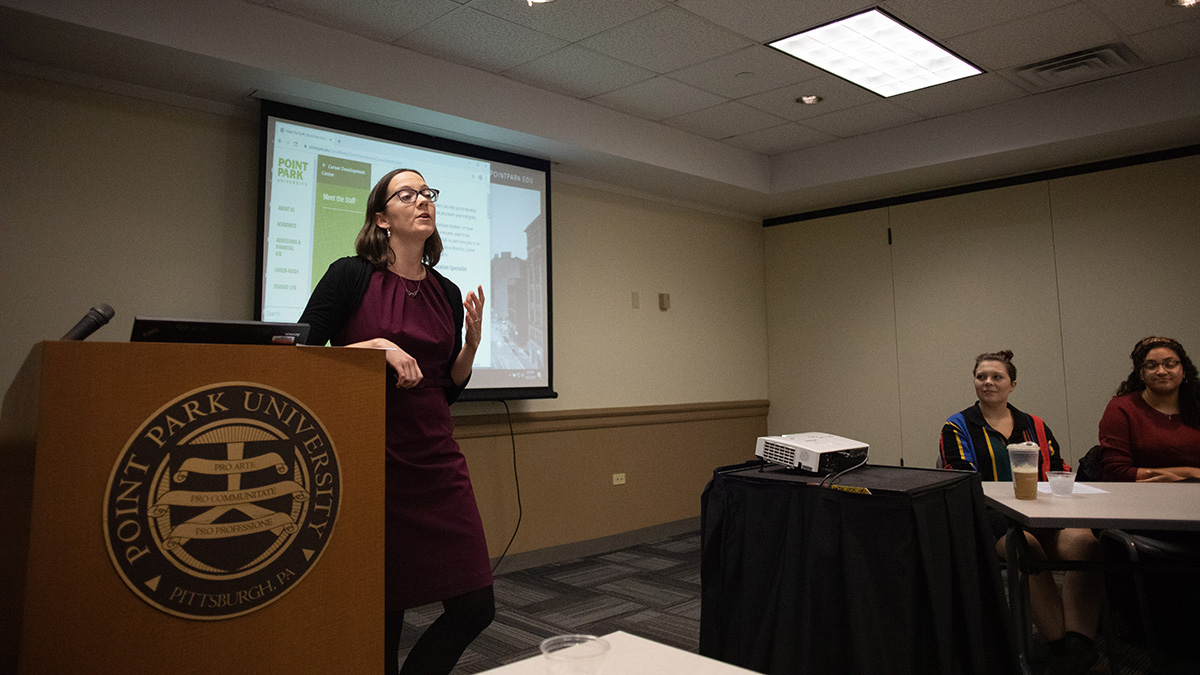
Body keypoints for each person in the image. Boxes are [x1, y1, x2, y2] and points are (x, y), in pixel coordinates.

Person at [299, 168, 493, 675]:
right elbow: (298, 355)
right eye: (407, 194)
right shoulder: (350, 275)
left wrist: (469, 347)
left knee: (476, 606)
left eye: (428, 192)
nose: (422, 200)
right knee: (383, 614)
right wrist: (374, 346)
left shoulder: (447, 293)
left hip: (435, 456)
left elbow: (447, 386)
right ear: (382, 218)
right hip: (370, 455)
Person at [940, 350, 1102, 675]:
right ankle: (1056, 646)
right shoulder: (957, 426)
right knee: (1025, 547)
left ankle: (1079, 645)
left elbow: (1058, 469)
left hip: (1041, 512)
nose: (988, 382)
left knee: (1088, 544)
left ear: (1012, 384)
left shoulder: (1035, 425)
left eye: (996, 377)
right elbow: (961, 480)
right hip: (990, 517)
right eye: (981, 376)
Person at [1098, 335, 1200, 482]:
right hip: (1143, 496)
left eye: (1170, 364)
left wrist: (1181, 477)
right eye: (1151, 366)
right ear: (1141, 374)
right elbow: (1116, 471)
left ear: (1184, 371)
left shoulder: (1197, 405)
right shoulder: (1122, 409)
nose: (1161, 371)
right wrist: (1190, 474)